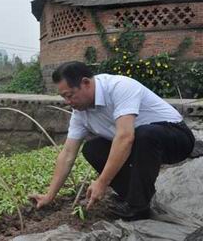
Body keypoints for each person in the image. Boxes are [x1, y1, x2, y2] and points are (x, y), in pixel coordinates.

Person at [30, 61, 195, 220]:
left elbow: (125, 137)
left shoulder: (119, 87)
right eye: (63, 97)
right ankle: (133, 196)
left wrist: (102, 182)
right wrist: (49, 195)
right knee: (92, 149)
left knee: (144, 134)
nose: (68, 102)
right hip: (141, 145)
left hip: (176, 138)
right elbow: (67, 154)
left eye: (69, 95)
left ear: (86, 83)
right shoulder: (80, 113)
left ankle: (138, 207)